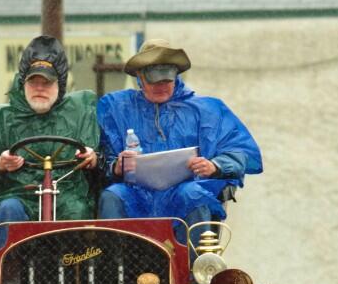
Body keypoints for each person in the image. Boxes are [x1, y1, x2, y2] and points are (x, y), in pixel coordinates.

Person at [97, 39, 262, 252]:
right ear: (139, 77)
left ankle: (195, 279)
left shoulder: (208, 110)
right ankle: (115, 278)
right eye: (153, 81)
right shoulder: (116, 108)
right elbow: (101, 158)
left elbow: (241, 151)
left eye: (166, 80)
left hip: (185, 194)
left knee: (192, 193)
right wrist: (116, 166)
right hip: (135, 196)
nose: (160, 87)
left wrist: (215, 165)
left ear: (176, 76)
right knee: (112, 196)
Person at [0, 35, 101, 247]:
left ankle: (77, 275)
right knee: (9, 209)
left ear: (60, 84)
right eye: (33, 82)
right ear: (23, 82)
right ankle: (9, 274)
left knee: (79, 212)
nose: (40, 88)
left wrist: (93, 158)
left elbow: (106, 161)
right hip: (16, 195)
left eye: (47, 83)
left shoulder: (81, 115)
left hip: (67, 196)